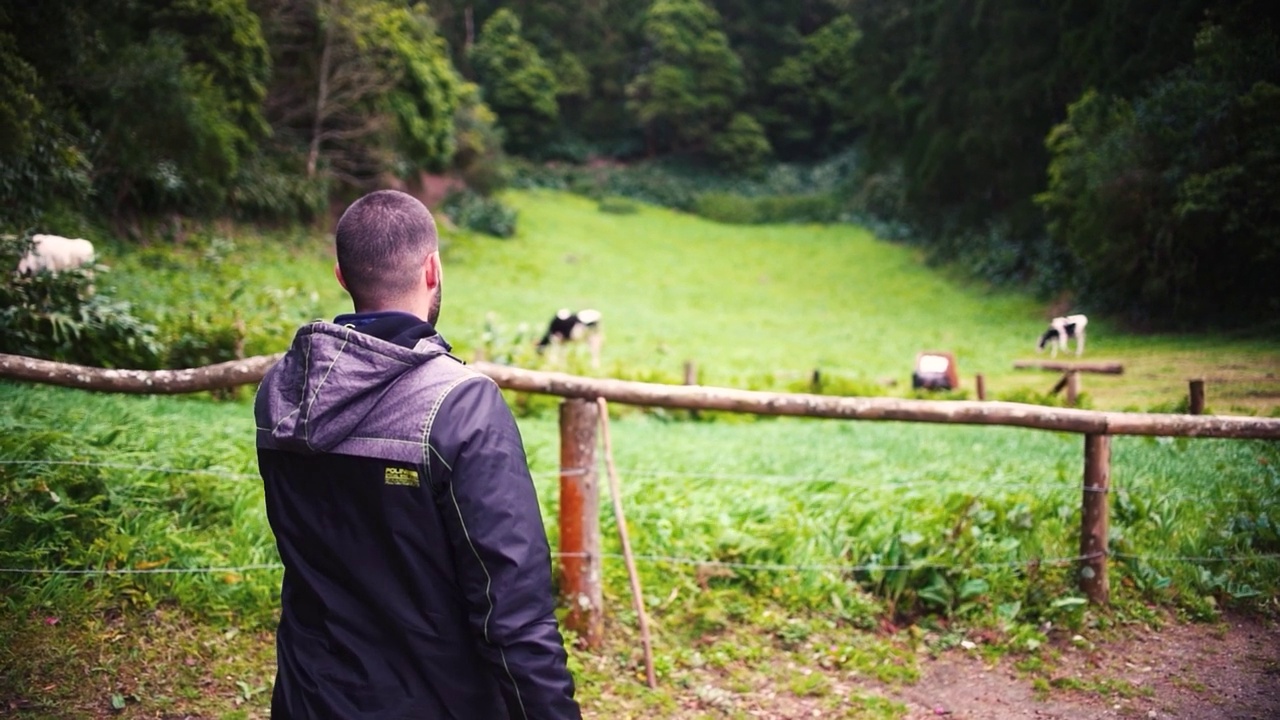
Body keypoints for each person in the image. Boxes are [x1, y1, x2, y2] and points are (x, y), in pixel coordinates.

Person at [255, 189, 581, 719]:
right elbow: (513, 615)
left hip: (307, 699)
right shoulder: (462, 404)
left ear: (341, 275)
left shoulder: (282, 392)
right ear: (433, 268)